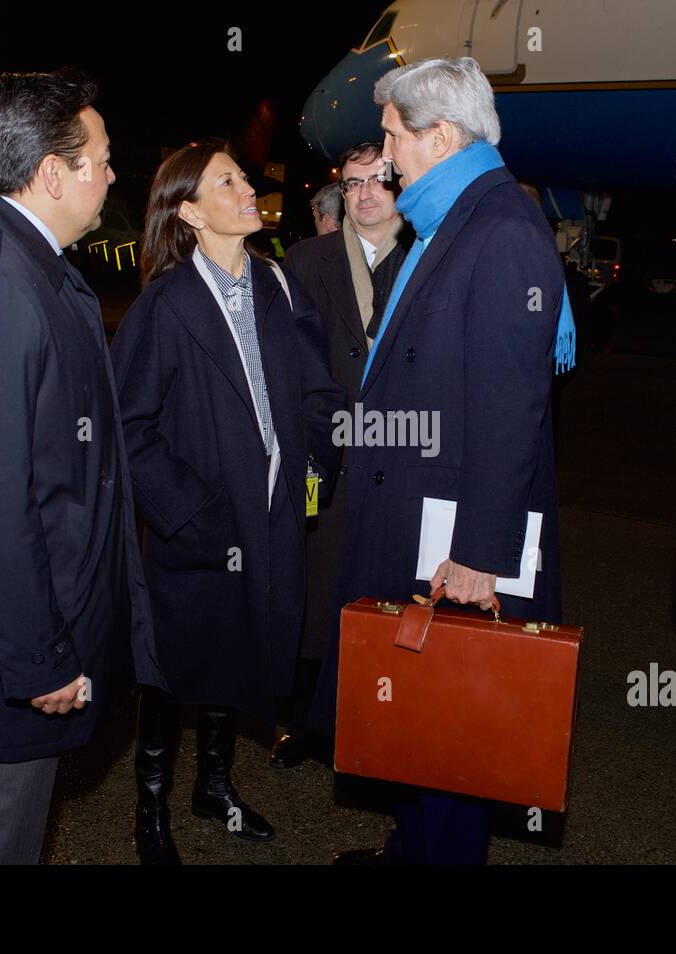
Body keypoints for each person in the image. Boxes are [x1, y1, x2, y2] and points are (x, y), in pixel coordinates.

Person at [315, 56, 576, 865]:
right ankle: (413, 847)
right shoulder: (458, 218)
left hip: (457, 537)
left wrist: (481, 556)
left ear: (441, 135)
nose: (385, 158)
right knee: (425, 704)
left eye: (393, 136)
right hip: (427, 514)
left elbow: (510, 412)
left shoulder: (499, 230)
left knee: (457, 713)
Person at [0, 68, 156, 864]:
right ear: (53, 173)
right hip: (11, 656)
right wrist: (40, 657)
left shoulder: (23, 261)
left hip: (38, 630)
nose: (114, 176)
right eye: (103, 159)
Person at [111, 140, 343, 863]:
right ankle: (151, 811)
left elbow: (318, 391)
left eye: (243, 176)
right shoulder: (166, 303)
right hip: (199, 528)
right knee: (173, 670)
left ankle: (214, 787)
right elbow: (129, 427)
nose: (248, 188)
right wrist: (187, 511)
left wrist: (315, 464)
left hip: (271, 519)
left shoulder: (278, 285)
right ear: (189, 210)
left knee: (236, 655)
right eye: (227, 181)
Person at [276, 140, 413, 768]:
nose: (363, 195)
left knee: (383, 601)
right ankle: (303, 726)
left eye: (378, 182)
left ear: (402, 188)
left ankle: (374, 724)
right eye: (352, 183)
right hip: (324, 459)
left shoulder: (427, 256)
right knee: (315, 595)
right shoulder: (307, 259)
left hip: (399, 461)